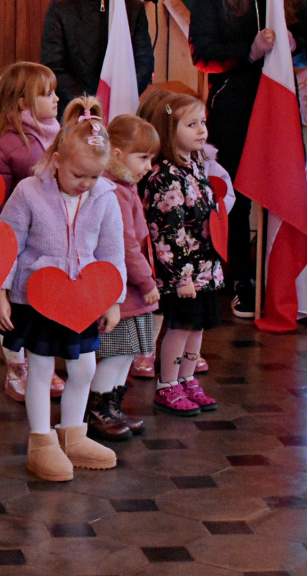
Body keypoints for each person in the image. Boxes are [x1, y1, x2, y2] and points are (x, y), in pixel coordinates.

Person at [0, 96, 125, 482]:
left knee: (83, 367)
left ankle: (73, 434)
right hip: (38, 296)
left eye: (93, 177)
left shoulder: (104, 197)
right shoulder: (29, 192)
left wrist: (112, 300)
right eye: (78, 175)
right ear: (57, 160)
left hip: (82, 297)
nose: (85, 184)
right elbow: (9, 243)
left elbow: (111, 251)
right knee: (41, 368)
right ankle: (41, 441)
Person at [189, 0, 307, 318]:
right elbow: (202, 54)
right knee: (238, 200)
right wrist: (250, 51)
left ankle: (283, 281)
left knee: (284, 196)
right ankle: (243, 280)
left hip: (282, 106)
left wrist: (296, 45)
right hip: (233, 110)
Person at [0, 61, 67, 403]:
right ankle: (17, 367)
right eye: (47, 94)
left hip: (46, 235)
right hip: (14, 237)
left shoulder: (51, 132)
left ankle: (41, 361)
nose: (56, 99)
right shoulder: (0, 144)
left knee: (40, 303)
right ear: (22, 102)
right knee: (14, 307)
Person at [143, 93, 222, 416]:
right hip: (182, 273)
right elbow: (168, 233)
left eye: (202, 122)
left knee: (197, 327)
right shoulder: (165, 176)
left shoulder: (196, 166)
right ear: (168, 128)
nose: (201, 130)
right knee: (180, 327)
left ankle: (187, 379)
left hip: (204, 268)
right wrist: (181, 276)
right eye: (191, 124)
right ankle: (168, 384)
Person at [85, 114, 160, 441]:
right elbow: (126, 246)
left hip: (132, 289)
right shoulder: (113, 191)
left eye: (151, 158)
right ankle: (98, 409)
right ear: (116, 154)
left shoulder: (126, 187)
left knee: (129, 350)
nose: (148, 165)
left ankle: (113, 404)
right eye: (142, 157)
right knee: (116, 350)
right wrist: (146, 280)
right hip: (123, 288)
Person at [40, 0, 154, 119]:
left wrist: (118, 98)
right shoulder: (61, 7)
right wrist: (89, 103)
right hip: (75, 113)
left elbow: (144, 64)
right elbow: (53, 66)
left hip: (121, 110)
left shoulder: (132, 7)